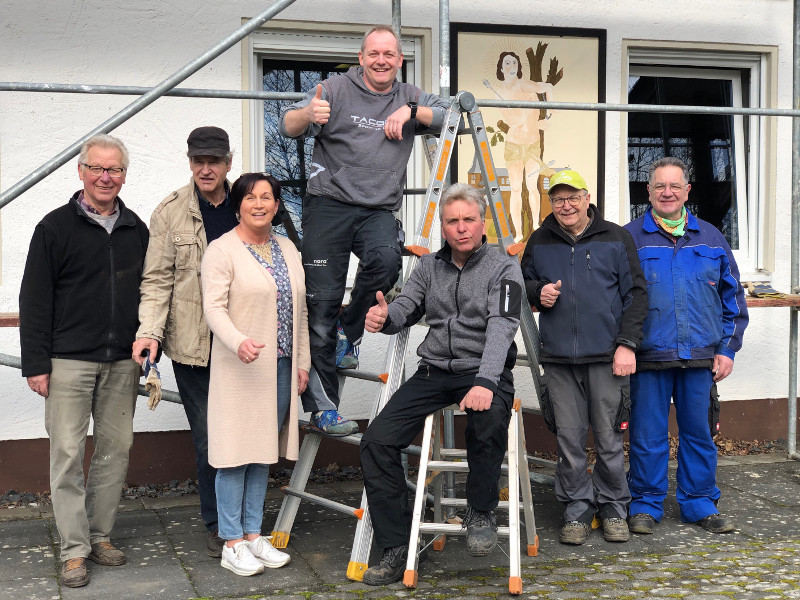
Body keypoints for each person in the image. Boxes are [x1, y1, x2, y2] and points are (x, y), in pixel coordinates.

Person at [279, 25, 449, 436]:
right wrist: (308, 115)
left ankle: (348, 331)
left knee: (387, 261)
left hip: (377, 209)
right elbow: (288, 125)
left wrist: (412, 113)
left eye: (389, 54)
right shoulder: (335, 88)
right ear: (361, 58)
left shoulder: (409, 95)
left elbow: (450, 115)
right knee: (319, 304)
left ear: (399, 60)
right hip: (328, 205)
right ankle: (323, 408)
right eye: (373, 53)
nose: (381, 60)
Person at [358, 183, 524, 585]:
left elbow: (503, 328)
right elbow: (406, 305)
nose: (461, 229)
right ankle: (397, 545)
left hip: (484, 368)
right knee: (376, 440)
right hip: (434, 371)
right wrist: (387, 317)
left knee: (485, 420)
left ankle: (480, 510)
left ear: (481, 223)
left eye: (469, 220)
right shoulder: (429, 266)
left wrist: (485, 381)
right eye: (452, 222)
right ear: (443, 228)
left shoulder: (504, 266)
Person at [19, 134, 148, 588]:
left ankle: (100, 536)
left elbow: (150, 292)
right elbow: (34, 299)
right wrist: (36, 363)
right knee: (68, 454)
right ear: (81, 172)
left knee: (116, 451)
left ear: (124, 175)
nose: (105, 177)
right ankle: (73, 551)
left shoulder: (136, 228)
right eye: (97, 168)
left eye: (114, 169)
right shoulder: (54, 228)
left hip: (121, 361)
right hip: (68, 361)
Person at [520, 169, 647, 545]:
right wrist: (537, 291)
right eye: (558, 199)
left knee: (609, 438)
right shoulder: (540, 240)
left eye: (573, 197)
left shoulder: (615, 237)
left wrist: (627, 344)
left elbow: (636, 295)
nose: (566, 205)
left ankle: (612, 507)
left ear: (587, 197)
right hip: (558, 359)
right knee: (569, 439)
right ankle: (576, 508)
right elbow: (522, 282)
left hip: (607, 357)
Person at [624, 157, 749, 535]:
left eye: (675, 186)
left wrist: (727, 349)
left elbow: (734, 301)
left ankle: (700, 504)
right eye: (660, 186)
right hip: (648, 357)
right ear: (648, 191)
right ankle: (645, 504)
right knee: (647, 435)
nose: (667, 192)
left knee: (699, 434)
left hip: (700, 358)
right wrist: (624, 347)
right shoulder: (629, 237)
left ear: (687, 191)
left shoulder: (711, 237)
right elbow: (617, 300)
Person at [132, 126, 238, 557]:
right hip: (195, 345)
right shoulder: (170, 212)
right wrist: (150, 333)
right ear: (189, 162)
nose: (206, 168)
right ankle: (217, 523)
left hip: (244, 342)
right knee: (210, 435)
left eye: (214, 161)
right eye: (198, 161)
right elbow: (157, 280)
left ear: (228, 162)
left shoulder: (250, 201)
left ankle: (244, 518)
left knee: (247, 431)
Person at [200, 173, 310, 576]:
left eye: (267, 197)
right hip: (238, 367)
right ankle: (230, 541)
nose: (259, 204)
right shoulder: (222, 250)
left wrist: (302, 362)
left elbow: (301, 309)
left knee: (263, 451)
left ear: (277, 206)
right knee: (234, 454)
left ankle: (252, 534)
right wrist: (237, 341)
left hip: (278, 367)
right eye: (251, 197)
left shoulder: (287, 248)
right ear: (239, 204)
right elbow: (213, 308)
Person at [485, 51, 555, 240]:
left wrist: (549, 115)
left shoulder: (525, 85)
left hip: (532, 143)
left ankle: (535, 226)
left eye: (513, 62)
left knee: (533, 187)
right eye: (506, 62)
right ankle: (517, 233)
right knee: (515, 189)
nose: (510, 65)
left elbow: (548, 87)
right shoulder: (501, 93)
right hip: (514, 144)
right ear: (501, 67)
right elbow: (513, 119)